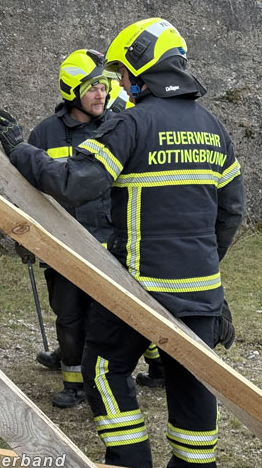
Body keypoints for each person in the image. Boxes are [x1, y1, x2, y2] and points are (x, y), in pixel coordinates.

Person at [0, 18, 244, 468]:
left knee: (102, 370)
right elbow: (230, 214)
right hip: (202, 291)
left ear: (140, 68)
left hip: (140, 290)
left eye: (121, 74)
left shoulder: (133, 123)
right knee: (193, 380)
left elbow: (72, 182)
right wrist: (199, 268)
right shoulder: (214, 130)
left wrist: (17, 149)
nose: (119, 85)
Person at [17, 48, 164, 408]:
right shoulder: (46, 134)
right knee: (69, 316)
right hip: (63, 246)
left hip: (113, 243)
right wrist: (23, 235)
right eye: (93, 87)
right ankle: (75, 384)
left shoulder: (122, 126)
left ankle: (157, 369)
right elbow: (27, 188)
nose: (102, 94)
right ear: (72, 91)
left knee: (124, 313)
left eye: (106, 86)